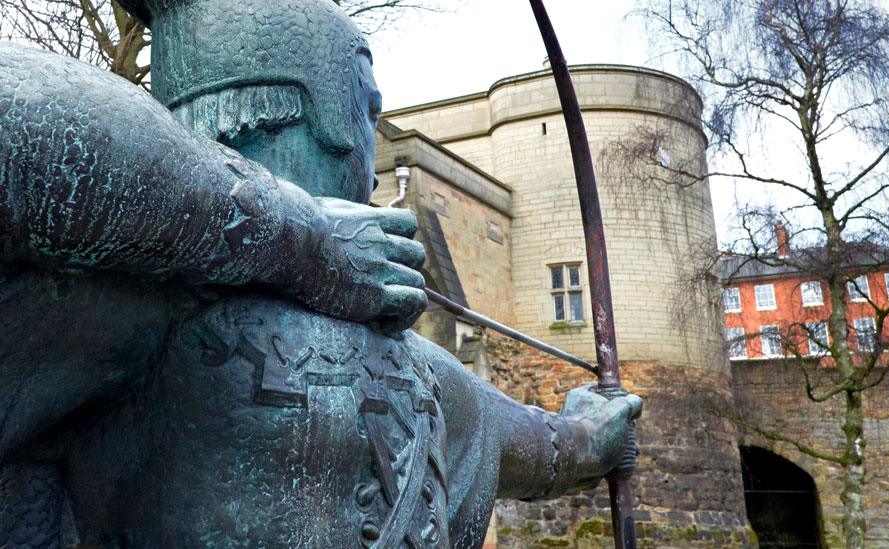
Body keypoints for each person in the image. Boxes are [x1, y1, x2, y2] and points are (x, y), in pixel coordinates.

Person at [0, 0, 641, 546]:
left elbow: (560, 449)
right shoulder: (124, 313)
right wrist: (304, 236)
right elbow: (20, 116)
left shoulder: (431, 374)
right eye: (369, 109)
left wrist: (594, 429)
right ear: (333, 110)